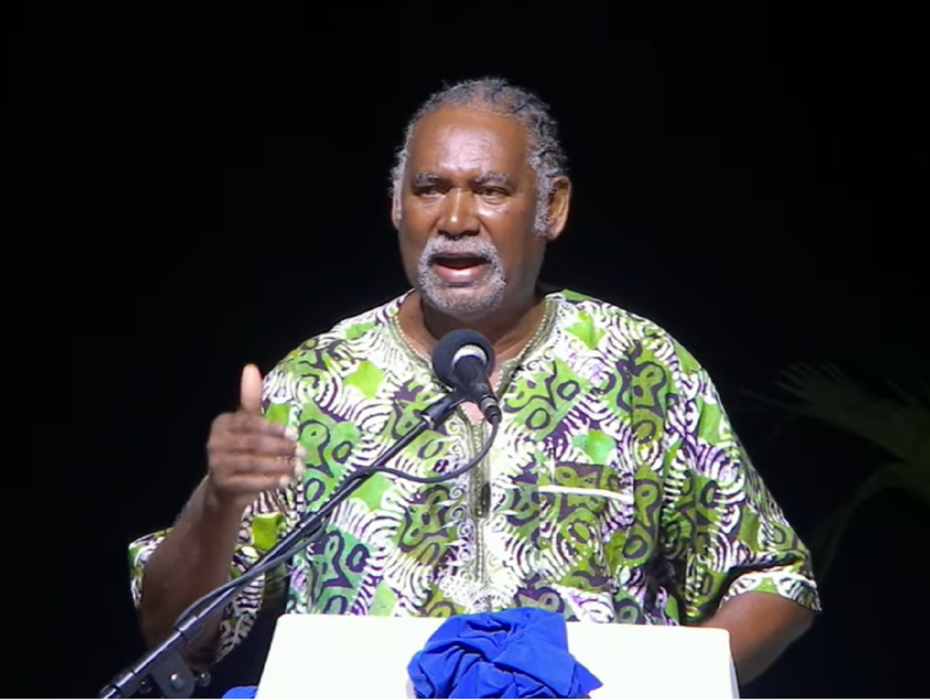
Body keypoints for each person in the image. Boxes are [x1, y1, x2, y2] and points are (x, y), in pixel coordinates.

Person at [129, 77, 820, 686]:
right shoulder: (315, 382)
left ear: (552, 208)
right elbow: (174, 639)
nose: (455, 220)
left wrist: (655, 685)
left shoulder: (640, 368)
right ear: (398, 206)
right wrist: (218, 502)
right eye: (430, 189)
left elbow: (775, 584)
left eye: (490, 190)